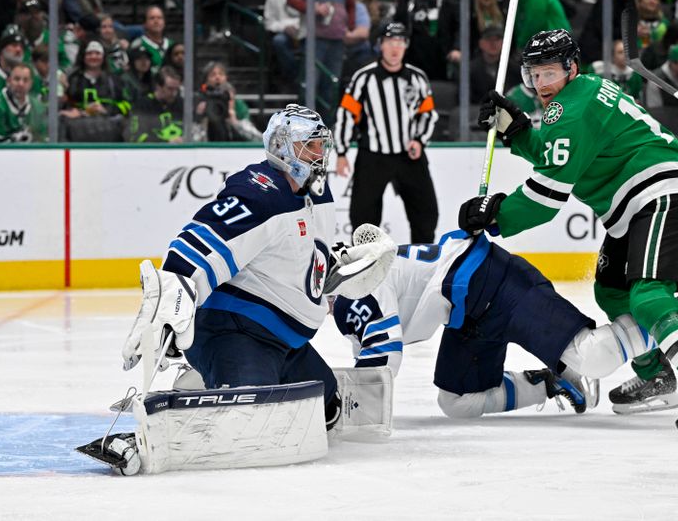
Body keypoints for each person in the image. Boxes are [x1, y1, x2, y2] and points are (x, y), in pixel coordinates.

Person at [461, 28, 678, 440]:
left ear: (571, 68)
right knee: (611, 292)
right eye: (534, 75)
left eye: (549, 74)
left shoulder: (570, 111)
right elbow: (562, 150)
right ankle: (657, 374)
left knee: (648, 295)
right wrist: (519, 131)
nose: (540, 85)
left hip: (658, 191)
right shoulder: (583, 93)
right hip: (634, 202)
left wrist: (494, 216)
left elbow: (545, 199)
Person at [120, 104, 394, 436]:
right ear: (282, 146)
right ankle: (207, 381)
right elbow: (198, 243)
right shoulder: (258, 193)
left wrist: (342, 267)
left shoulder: (318, 193)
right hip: (233, 331)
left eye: (322, 144)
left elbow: (301, 259)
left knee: (327, 410)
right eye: (310, 145)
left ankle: (209, 381)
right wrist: (172, 295)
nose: (320, 154)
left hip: (284, 341)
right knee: (250, 421)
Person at [332, 231, 678, 419]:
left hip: (495, 280)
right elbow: (372, 351)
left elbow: (384, 355)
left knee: (592, 358)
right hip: (468, 315)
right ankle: (549, 382)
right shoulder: (347, 290)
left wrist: (348, 414)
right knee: (456, 403)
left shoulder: (350, 287)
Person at [334, 22, 439, 244]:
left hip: (409, 156)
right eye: (391, 42)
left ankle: (422, 263)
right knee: (363, 218)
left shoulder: (417, 78)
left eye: (400, 42)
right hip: (373, 155)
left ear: (406, 46)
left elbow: (428, 114)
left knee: (426, 213)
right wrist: (341, 152)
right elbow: (346, 114)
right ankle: (365, 265)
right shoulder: (364, 78)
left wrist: (420, 140)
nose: (395, 47)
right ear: (381, 45)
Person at [393, 0, 460, 81]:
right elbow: (397, 25)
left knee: (436, 92)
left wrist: (457, 48)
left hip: (440, 59)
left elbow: (459, 27)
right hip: (411, 57)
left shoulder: (449, 0)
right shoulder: (407, 0)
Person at [196, 61, 261, 142]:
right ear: (206, 80)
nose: (217, 77)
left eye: (221, 74)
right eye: (213, 75)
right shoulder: (200, 102)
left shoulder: (237, 104)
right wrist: (200, 120)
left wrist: (235, 122)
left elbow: (258, 140)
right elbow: (191, 141)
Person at [125, 65, 183, 143]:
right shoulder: (142, 105)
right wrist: (166, 142)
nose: (174, 93)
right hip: (151, 153)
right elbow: (134, 136)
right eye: (170, 89)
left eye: (176, 89)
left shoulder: (181, 104)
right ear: (158, 86)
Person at [0, 63, 46, 142]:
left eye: (25, 80)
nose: (21, 84)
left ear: (31, 83)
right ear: (8, 81)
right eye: (16, 79)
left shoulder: (38, 106)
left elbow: (42, 138)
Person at [264, 0, 305, 90]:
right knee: (279, 41)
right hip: (283, 33)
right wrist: (284, 28)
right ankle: (296, 77)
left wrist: (299, 28)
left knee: (313, 44)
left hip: (305, 32)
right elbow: (269, 23)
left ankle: (306, 78)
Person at [128, 6, 173, 71]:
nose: (156, 21)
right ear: (145, 24)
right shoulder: (137, 44)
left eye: (160, 18)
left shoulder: (172, 45)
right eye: (152, 18)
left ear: (164, 22)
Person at [0, 25, 25, 98]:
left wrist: (45, 90)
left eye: (21, 46)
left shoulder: (27, 71)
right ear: (2, 49)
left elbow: (41, 90)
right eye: (14, 45)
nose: (19, 50)